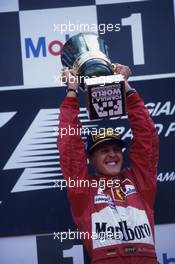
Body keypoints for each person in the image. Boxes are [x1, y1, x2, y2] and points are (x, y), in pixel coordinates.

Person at [57, 64, 159, 264]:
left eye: (116, 149)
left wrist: (126, 86)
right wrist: (71, 92)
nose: (112, 154)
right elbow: (69, 149)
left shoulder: (140, 183)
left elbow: (148, 138)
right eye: (104, 150)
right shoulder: (84, 191)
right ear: (91, 159)